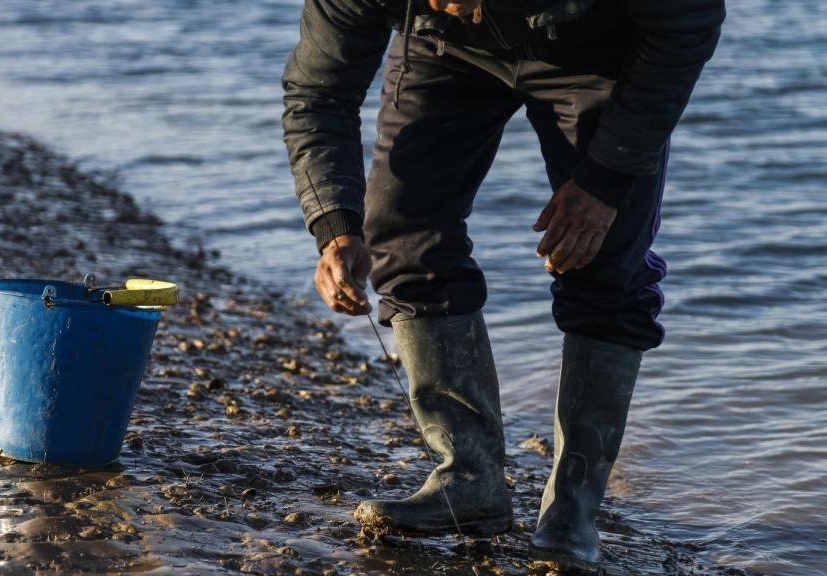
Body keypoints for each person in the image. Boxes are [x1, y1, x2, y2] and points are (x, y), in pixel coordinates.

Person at [282, 0, 723, 571]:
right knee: (401, 230)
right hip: (444, 52)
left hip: (601, 49)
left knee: (605, 259)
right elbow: (319, 92)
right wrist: (335, 226)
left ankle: (573, 511)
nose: (458, 3)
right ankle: (470, 480)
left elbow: (687, 26)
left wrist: (604, 183)